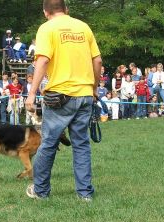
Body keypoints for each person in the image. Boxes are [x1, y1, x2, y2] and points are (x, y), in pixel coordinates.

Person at [25, 0, 102, 201]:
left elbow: (42, 60)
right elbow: (98, 60)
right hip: (85, 94)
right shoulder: (83, 27)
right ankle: (85, 194)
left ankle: (41, 191)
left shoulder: (46, 29)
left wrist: (32, 93)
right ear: (66, 10)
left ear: (45, 12)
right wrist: (93, 88)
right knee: (81, 145)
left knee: (49, 143)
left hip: (60, 96)